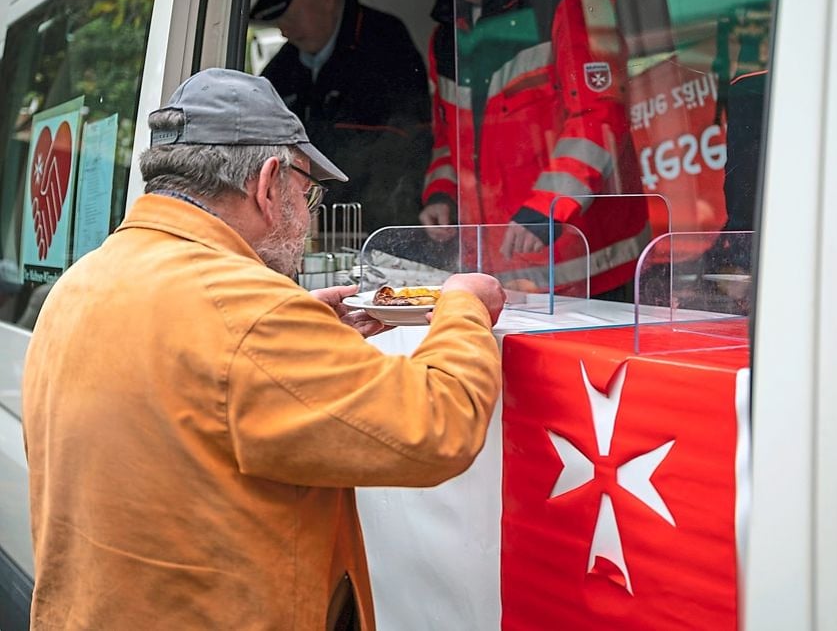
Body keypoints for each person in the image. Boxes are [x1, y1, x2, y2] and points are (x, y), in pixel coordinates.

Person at [21, 68, 506, 630]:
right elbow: (438, 426)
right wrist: (463, 304)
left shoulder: (80, 282)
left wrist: (303, 336)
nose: (308, 214)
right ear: (269, 181)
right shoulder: (250, 314)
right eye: (308, 193)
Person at [416, 0, 650, 300]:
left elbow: (600, 116)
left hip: (594, 269)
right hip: (499, 276)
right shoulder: (445, 39)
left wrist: (549, 207)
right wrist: (442, 194)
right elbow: (448, 138)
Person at [252, 0, 431, 236]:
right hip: (307, 232)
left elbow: (412, 144)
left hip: (384, 228)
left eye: (290, 16)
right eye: (277, 22)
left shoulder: (386, 44)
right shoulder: (280, 71)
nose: (284, 31)